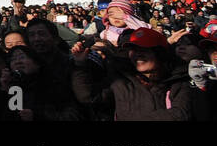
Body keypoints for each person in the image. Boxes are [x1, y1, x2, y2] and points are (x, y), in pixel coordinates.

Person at [71, 27, 208, 121]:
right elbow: (88, 97)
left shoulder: (178, 80)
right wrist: (80, 65)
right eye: (133, 49)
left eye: (144, 49)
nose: (138, 54)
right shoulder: (120, 81)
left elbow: (180, 114)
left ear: (160, 54)